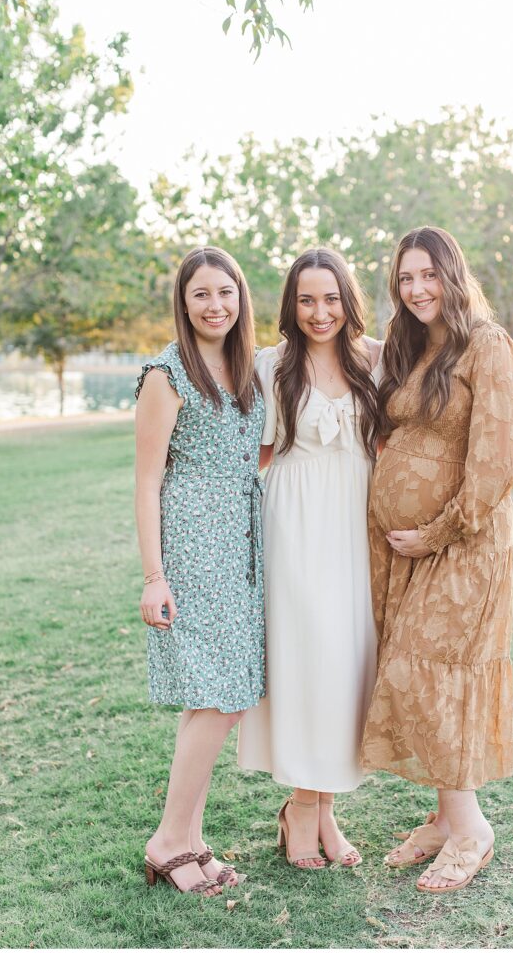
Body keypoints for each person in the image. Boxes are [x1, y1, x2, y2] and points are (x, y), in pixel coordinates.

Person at [360, 226, 513, 894]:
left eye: (428, 274)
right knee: (417, 673)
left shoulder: (486, 345)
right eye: (404, 278)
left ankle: (471, 830)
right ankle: (441, 816)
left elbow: (495, 463)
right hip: (406, 550)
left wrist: (435, 532)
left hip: (464, 544)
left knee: (426, 673)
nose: (417, 288)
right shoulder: (413, 348)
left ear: (451, 276)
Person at [238, 247, 381, 869]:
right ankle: (303, 806)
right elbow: (259, 455)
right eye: (306, 299)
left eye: (331, 298)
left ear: (347, 300)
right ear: (290, 306)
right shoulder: (271, 366)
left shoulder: (375, 358)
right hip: (295, 523)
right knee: (307, 660)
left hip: (355, 521)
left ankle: (323, 811)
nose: (319, 312)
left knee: (345, 663)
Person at [135, 245, 265, 896]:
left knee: (218, 702)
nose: (215, 305)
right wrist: (154, 576)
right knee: (219, 699)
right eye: (200, 294)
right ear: (183, 304)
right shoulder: (167, 374)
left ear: (240, 298)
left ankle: (187, 840)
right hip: (193, 552)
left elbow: (256, 454)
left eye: (225, 292)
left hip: (244, 551)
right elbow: (145, 482)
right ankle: (167, 840)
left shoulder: (247, 369)